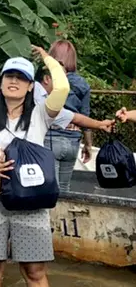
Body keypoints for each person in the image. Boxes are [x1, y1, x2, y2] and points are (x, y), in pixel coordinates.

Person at [0, 47, 113, 287]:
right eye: (8, 76)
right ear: (0, 83)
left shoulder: (41, 115)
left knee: (34, 269)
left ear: (31, 86)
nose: (13, 82)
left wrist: (48, 59)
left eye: (21, 78)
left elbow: (62, 89)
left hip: (31, 201)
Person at [43, 40, 93, 191]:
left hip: (51, 137)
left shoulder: (48, 79)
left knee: (50, 188)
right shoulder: (82, 83)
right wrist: (88, 145)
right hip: (73, 141)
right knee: (65, 189)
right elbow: (85, 116)